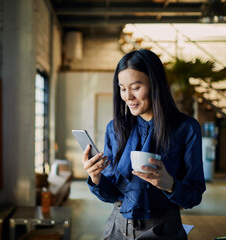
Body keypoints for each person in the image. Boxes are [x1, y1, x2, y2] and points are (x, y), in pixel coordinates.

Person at [82, 49, 206, 240]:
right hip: (117, 228)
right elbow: (111, 195)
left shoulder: (186, 129)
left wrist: (169, 184)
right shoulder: (115, 128)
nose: (128, 96)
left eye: (136, 87)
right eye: (122, 88)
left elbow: (194, 196)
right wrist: (96, 178)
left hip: (163, 229)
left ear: (155, 85)